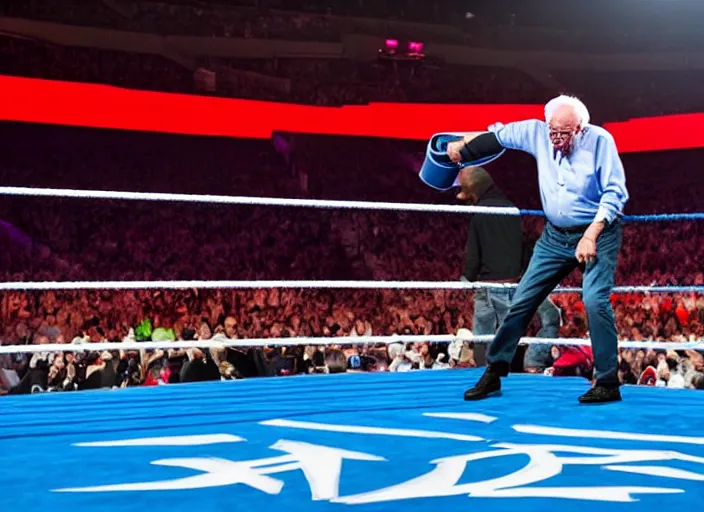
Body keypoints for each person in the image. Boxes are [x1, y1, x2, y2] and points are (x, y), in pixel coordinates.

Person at [447, 95, 629, 404]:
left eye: (565, 132)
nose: (557, 139)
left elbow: (616, 192)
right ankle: (494, 370)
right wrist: (464, 146)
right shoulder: (537, 132)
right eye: (553, 131)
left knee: (595, 300)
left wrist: (591, 234)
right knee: (522, 299)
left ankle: (608, 381)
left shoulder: (600, 141)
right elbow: (499, 136)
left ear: (580, 128)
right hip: (555, 236)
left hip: (598, 230)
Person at [457, 167, 560, 370]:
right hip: (513, 281)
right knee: (507, 331)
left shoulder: (480, 213)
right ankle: (510, 370)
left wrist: (467, 277)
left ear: (475, 191)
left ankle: (483, 374)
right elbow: (518, 245)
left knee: (484, 332)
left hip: (491, 283)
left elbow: (473, 251)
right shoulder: (512, 210)